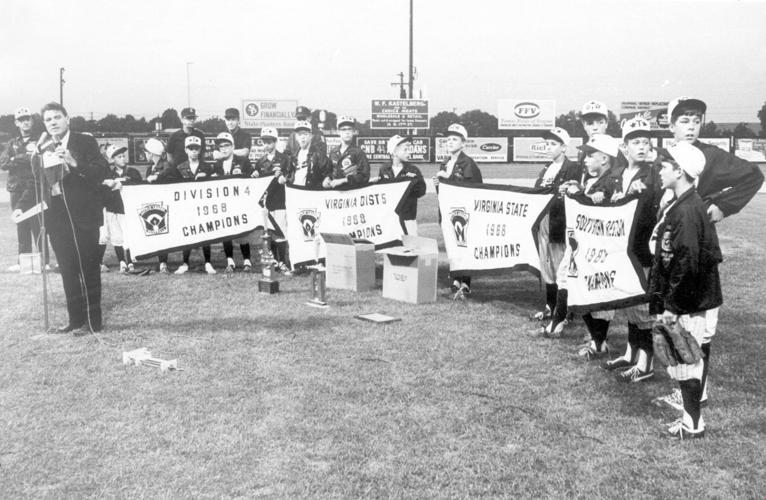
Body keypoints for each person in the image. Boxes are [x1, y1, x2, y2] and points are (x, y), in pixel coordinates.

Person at [652, 96, 764, 410]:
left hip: (695, 243)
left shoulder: (710, 155)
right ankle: (685, 386)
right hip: (669, 246)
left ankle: (696, 392)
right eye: (684, 120)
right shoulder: (664, 157)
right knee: (674, 321)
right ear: (671, 124)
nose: (690, 126)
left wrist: (723, 207)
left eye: (696, 120)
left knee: (697, 322)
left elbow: (753, 176)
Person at [648, 141, 721, 439]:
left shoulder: (688, 210)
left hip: (688, 300)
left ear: (679, 171)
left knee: (687, 360)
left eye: (665, 166)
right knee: (683, 360)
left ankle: (693, 424)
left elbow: (687, 261)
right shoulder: (683, 203)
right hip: (687, 298)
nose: (660, 171)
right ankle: (692, 421)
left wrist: (672, 305)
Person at [542, 100, 614, 336]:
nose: (594, 126)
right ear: (583, 124)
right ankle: (561, 321)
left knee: (597, 282)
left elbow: (608, 193)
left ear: (606, 122)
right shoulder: (588, 154)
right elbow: (589, 188)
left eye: (599, 121)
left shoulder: (613, 153)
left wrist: (583, 194)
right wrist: (577, 187)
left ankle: (595, 337)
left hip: (604, 233)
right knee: (568, 274)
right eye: (589, 122)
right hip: (582, 230)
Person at [34, 102, 107, 334]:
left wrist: (73, 162)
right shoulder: (42, 146)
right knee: (67, 269)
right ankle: (75, 320)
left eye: (57, 117)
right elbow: (38, 181)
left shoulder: (85, 141)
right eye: (48, 119)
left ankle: (94, 321)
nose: (53, 122)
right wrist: (36, 158)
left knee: (89, 269)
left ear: (68, 119)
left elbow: (101, 172)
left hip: (84, 216)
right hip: (56, 217)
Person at [600, 118, 663, 381]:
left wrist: (642, 193)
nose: (641, 147)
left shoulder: (654, 174)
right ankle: (630, 352)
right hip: (620, 250)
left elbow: (658, 205)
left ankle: (645, 364)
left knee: (643, 310)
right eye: (635, 142)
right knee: (629, 305)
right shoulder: (616, 174)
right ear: (624, 147)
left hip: (641, 249)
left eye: (646, 142)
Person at [564, 134, 621, 360]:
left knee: (598, 297)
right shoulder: (595, 178)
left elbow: (601, 215)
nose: (584, 159)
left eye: (590, 155)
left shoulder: (611, 181)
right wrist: (579, 189)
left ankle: (599, 343)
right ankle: (598, 342)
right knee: (578, 289)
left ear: (605, 158)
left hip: (602, 249)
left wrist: (579, 196)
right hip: (588, 247)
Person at [532, 127, 579, 320]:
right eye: (547, 143)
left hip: (560, 222)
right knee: (547, 265)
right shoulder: (546, 167)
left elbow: (573, 192)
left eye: (553, 144)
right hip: (544, 221)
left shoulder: (572, 167)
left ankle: (565, 310)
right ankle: (550, 305)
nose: (548, 147)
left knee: (561, 266)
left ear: (564, 147)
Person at [152, 136, 216, 275]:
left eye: (196, 148)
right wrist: (155, 177)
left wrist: (206, 178)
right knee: (188, 233)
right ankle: (185, 262)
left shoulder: (206, 167)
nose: (194, 151)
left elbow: (216, 184)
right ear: (186, 150)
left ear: (200, 150)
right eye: (191, 148)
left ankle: (208, 262)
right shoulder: (179, 167)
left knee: (207, 232)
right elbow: (168, 178)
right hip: (186, 206)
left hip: (203, 205)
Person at [433, 124, 483, 300]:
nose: (450, 142)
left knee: (464, 245)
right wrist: (439, 185)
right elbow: (444, 192)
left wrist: (449, 178)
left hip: (463, 213)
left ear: (463, 143)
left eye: (454, 139)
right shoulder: (445, 162)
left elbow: (471, 189)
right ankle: (455, 278)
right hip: (448, 211)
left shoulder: (467, 163)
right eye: (448, 139)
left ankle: (466, 283)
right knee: (452, 246)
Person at [0, 106, 49, 271]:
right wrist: (20, 157)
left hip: (33, 186)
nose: (25, 122)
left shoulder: (40, 140)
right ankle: (23, 261)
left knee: (38, 224)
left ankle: (44, 261)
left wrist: (18, 158)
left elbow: (40, 161)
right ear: (16, 123)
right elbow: (3, 163)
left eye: (27, 118)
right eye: (21, 120)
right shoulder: (12, 143)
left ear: (32, 121)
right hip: (16, 188)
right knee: (20, 223)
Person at [212, 132, 255, 273]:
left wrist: (252, 175)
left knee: (242, 232)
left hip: (240, 202)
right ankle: (230, 261)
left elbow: (253, 176)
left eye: (226, 145)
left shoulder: (243, 161)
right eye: (221, 146)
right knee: (226, 231)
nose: (224, 148)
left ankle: (247, 260)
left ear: (233, 146)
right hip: (224, 202)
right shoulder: (217, 165)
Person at [98, 144, 142, 274]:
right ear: (112, 160)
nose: (123, 158)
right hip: (113, 208)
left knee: (129, 235)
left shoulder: (132, 171)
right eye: (119, 156)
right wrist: (109, 185)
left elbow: (138, 184)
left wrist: (123, 181)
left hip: (127, 208)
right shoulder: (108, 173)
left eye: (123, 156)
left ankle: (130, 261)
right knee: (117, 236)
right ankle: (122, 261)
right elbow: (102, 190)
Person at [371, 135, 426, 236]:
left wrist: (414, 182)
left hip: (408, 217)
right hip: (390, 217)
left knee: (411, 247)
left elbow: (422, 191)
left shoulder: (413, 170)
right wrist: (373, 184)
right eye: (405, 150)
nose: (409, 152)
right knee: (391, 247)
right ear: (395, 152)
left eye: (409, 149)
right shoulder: (384, 169)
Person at [255, 127, 292, 273]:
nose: (267, 145)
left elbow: (290, 177)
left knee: (281, 232)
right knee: (269, 233)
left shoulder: (284, 159)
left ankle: (283, 261)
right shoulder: (260, 161)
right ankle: (274, 261)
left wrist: (284, 178)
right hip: (266, 203)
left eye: (269, 142)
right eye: (264, 142)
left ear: (275, 142)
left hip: (280, 200)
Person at [143, 138, 173, 273]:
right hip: (156, 204)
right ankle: (161, 262)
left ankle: (163, 263)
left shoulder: (165, 166)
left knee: (163, 234)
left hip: (166, 203)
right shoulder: (150, 168)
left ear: (151, 153)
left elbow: (169, 173)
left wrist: (157, 177)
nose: (145, 154)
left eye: (146, 151)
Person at [324, 116, 370, 189]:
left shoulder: (358, 152)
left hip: (352, 193)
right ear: (338, 131)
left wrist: (343, 180)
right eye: (344, 129)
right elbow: (329, 172)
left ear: (353, 131)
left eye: (349, 129)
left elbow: (364, 176)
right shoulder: (333, 152)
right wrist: (327, 178)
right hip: (335, 194)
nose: (347, 132)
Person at [283, 120, 330, 189]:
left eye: (305, 134)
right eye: (299, 134)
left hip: (309, 193)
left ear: (310, 136)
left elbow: (329, 171)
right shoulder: (294, 156)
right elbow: (288, 174)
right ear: (296, 137)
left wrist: (328, 178)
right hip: (294, 191)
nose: (302, 137)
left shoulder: (318, 155)